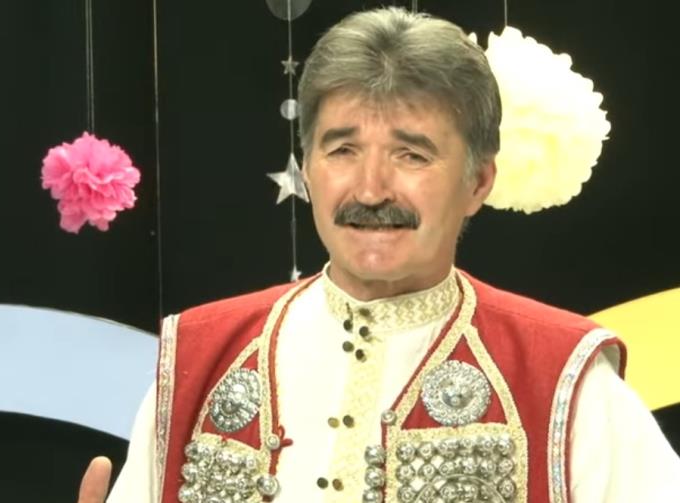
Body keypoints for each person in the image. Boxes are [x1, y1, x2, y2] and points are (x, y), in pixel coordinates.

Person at [79, 7, 680, 503]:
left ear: (478, 182)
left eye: (411, 155)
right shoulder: (200, 355)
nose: (370, 190)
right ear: (308, 168)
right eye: (342, 150)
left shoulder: (564, 378)